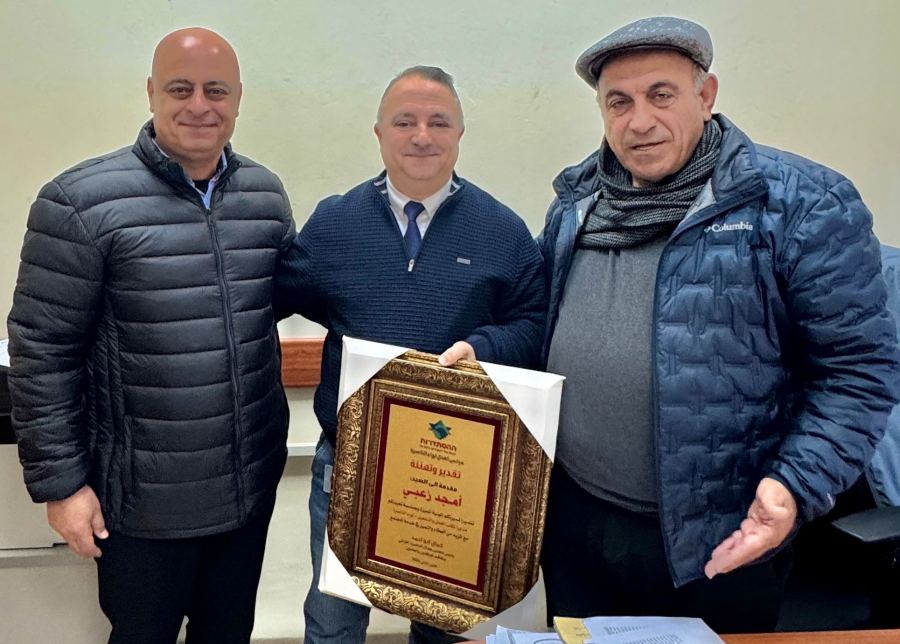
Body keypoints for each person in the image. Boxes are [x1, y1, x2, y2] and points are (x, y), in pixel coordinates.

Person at [537, 16, 899, 633]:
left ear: (706, 96)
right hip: (578, 529)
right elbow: (543, 327)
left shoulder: (802, 203)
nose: (639, 121)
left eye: (661, 94)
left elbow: (858, 373)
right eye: (619, 102)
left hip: (725, 539)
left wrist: (794, 486)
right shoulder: (575, 203)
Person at [7, 28, 295, 644]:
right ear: (151, 93)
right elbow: (42, 352)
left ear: (238, 98)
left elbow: (284, 303)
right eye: (180, 89)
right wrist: (62, 486)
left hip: (246, 490)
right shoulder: (78, 202)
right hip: (140, 505)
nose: (200, 105)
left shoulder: (265, 196)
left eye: (216, 90)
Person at [275, 65, 547, 644]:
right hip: (350, 463)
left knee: (442, 626)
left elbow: (534, 322)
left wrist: (484, 347)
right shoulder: (335, 224)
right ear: (379, 133)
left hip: (453, 468)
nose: (422, 135)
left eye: (438, 122)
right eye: (405, 122)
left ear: (459, 134)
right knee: (333, 623)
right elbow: (277, 298)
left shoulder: (502, 231)